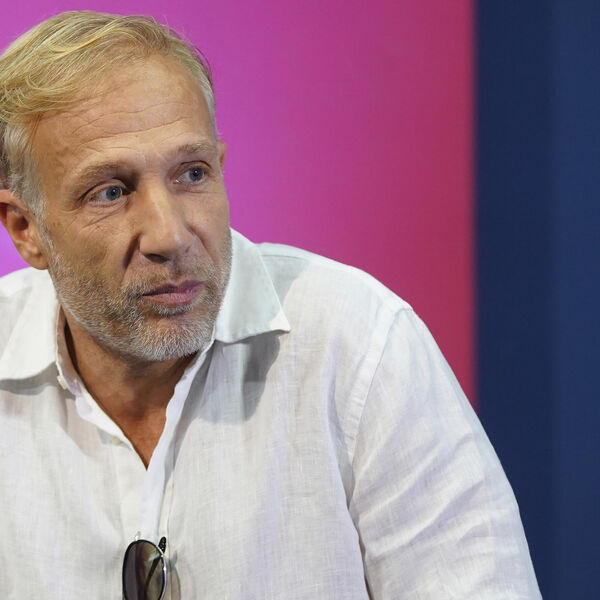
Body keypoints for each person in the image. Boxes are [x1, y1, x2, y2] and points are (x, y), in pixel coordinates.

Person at [0, 11, 540, 599]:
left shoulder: (360, 345)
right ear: (26, 228)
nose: (170, 235)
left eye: (191, 174)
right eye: (110, 191)